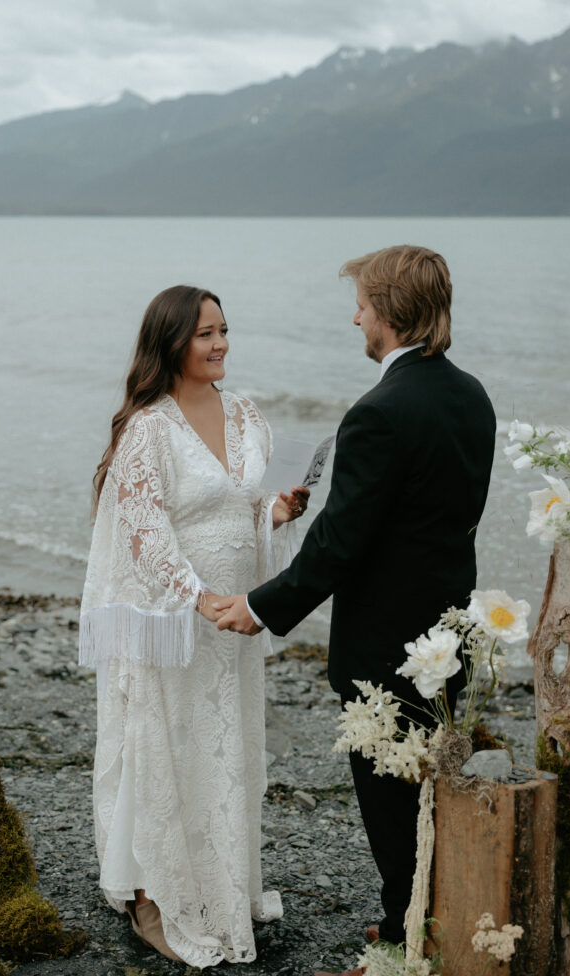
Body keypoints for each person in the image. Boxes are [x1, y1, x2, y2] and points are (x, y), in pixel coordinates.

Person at [214, 245, 496, 976]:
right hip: (447, 633)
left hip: (385, 645)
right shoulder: (471, 395)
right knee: (427, 786)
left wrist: (261, 605)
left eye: (363, 306)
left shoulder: (378, 412)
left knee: (389, 800)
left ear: (390, 313)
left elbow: (341, 545)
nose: (355, 317)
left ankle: (409, 947)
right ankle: (416, 916)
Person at [79, 284, 308, 968]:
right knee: (162, 745)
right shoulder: (147, 426)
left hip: (235, 616)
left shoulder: (243, 411)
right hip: (173, 618)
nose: (220, 344)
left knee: (225, 746)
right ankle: (152, 891)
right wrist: (196, 596)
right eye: (205, 333)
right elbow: (144, 529)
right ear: (172, 342)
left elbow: (248, 504)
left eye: (224, 330)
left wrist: (279, 512)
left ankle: (221, 888)